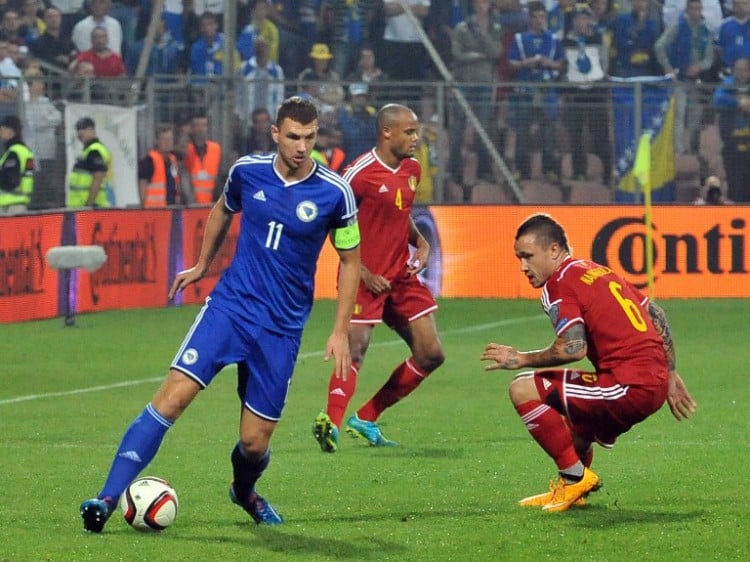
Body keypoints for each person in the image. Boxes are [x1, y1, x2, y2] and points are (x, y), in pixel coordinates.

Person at [79, 95, 361, 532]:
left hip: (281, 329)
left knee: (253, 443)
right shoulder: (247, 171)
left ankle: (245, 492)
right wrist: (201, 265)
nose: (302, 146)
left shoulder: (335, 193)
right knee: (171, 398)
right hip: (231, 309)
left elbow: (350, 261)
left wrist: (340, 329)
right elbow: (222, 210)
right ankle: (105, 499)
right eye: (293, 137)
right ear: (275, 134)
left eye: (309, 137)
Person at [480, 213, 697, 512]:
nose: (523, 267)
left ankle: (575, 478)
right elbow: (656, 313)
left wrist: (520, 359)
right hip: (648, 380)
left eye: (528, 256)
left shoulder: (558, 283)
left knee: (522, 389)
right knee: (577, 430)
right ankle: (572, 490)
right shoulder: (595, 270)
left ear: (553, 250)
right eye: (519, 258)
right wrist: (669, 372)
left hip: (628, 385)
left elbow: (573, 348)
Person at [313, 103, 445, 453]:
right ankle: (331, 423)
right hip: (364, 277)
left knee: (431, 353)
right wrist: (364, 272)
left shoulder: (413, 169)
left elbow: (401, 215)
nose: (416, 138)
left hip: (400, 276)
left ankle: (367, 417)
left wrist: (421, 243)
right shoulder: (358, 174)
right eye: (409, 131)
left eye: (416, 131)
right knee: (355, 349)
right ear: (387, 132)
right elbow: (333, 224)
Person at [23, 68, 63, 209]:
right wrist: (47, 120)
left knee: (47, 177)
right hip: (33, 147)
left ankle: (44, 204)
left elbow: (57, 117)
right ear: (30, 85)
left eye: (42, 83)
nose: (42, 86)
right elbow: (34, 124)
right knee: (34, 178)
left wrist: (46, 120)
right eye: (38, 83)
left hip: (48, 148)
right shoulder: (25, 103)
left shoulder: (45, 101)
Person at [713, 57, 750, 202]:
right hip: (732, 145)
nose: (741, 73)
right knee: (735, 185)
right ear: (733, 71)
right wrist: (738, 102)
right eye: (738, 70)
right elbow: (717, 99)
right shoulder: (727, 84)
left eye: (745, 70)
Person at [138, 124, 187, 207]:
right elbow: (143, 185)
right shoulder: (149, 161)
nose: (167, 143)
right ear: (157, 141)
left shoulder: (173, 160)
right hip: (155, 211)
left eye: (170, 139)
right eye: (164, 139)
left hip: (172, 209)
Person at [67, 117, 111, 208]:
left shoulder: (94, 151)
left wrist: (89, 205)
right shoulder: (87, 150)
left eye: (83, 129)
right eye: (78, 129)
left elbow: (97, 178)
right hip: (80, 207)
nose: (80, 133)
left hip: (90, 208)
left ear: (92, 130)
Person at [0, 115, 35, 215]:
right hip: (19, 204)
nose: (0, 132)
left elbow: (10, 181)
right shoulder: (24, 151)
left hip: (9, 206)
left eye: (2, 129)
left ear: (11, 131)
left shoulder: (14, 152)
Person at [185, 112, 222, 205]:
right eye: (197, 125)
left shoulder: (216, 149)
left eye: (204, 125)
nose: (200, 129)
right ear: (191, 128)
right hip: (189, 205)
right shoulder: (186, 150)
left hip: (212, 204)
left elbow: (220, 177)